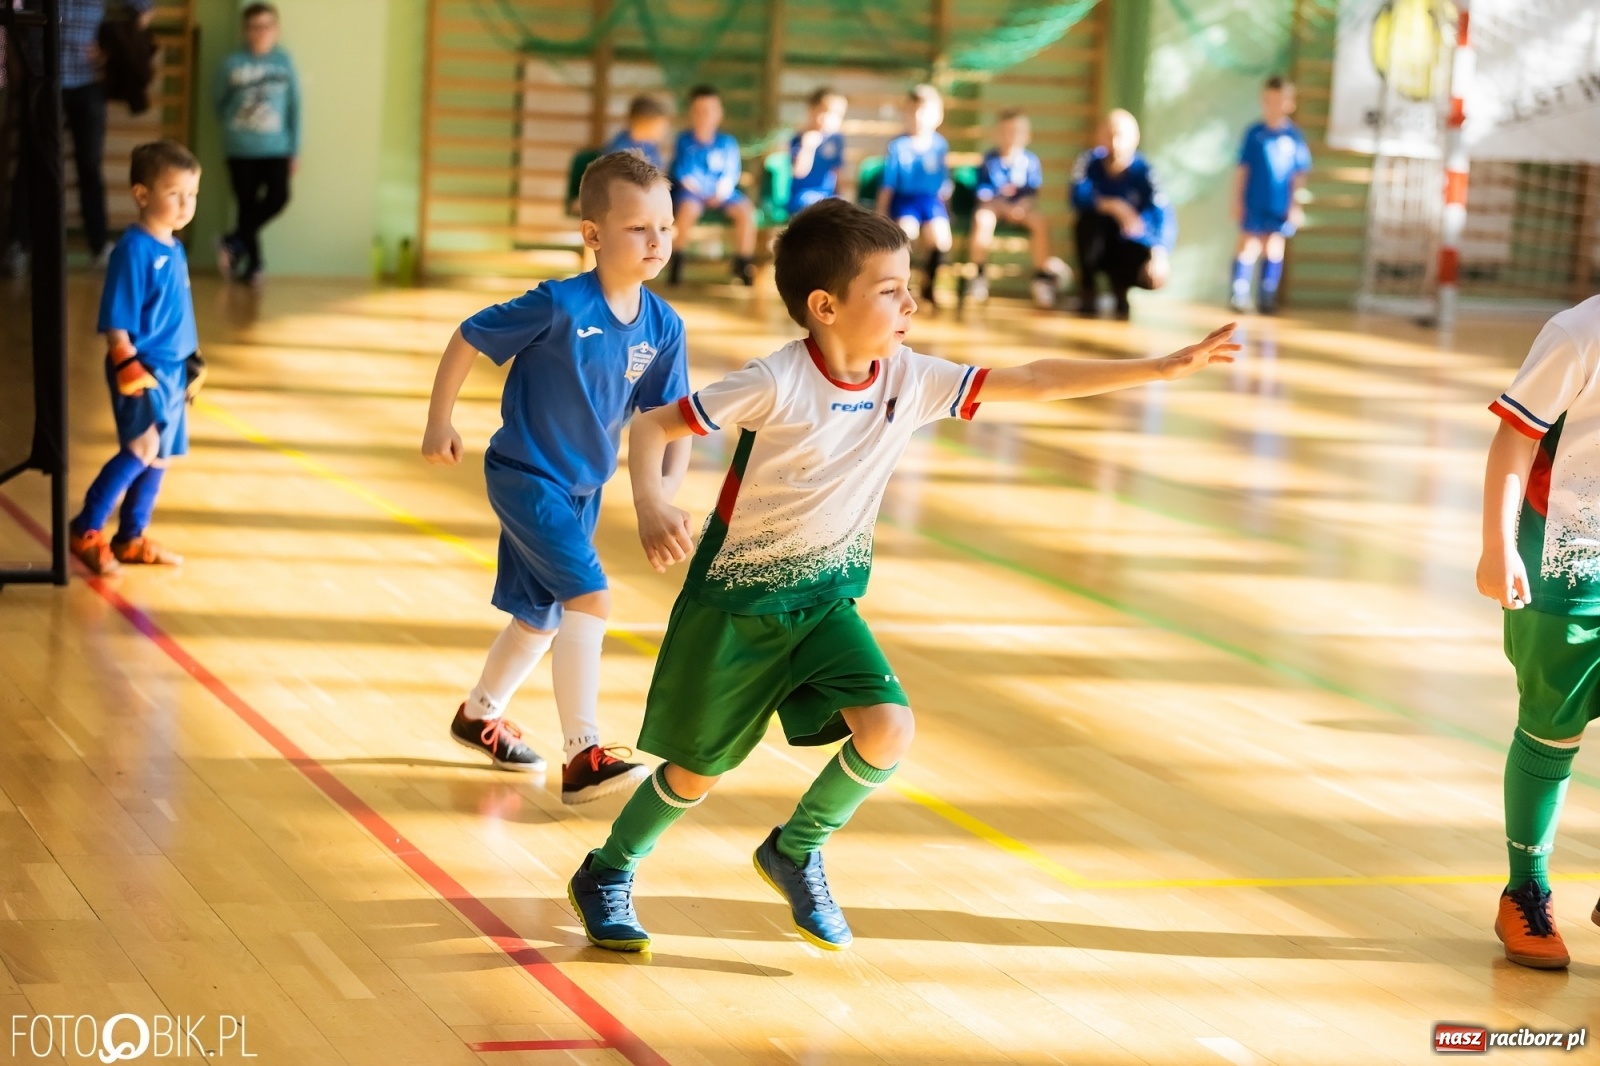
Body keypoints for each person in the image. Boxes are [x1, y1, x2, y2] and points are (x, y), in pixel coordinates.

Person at [564, 197, 1237, 953]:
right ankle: (608, 870)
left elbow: (1035, 378)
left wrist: (1162, 366)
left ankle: (794, 848)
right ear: (824, 307)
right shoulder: (776, 381)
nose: (910, 302)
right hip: (737, 607)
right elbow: (654, 424)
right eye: (889, 290)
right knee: (693, 775)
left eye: (908, 285)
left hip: (825, 602)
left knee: (889, 729)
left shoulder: (911, 379)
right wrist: (653, 502)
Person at [420, 152, 690, 805]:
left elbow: (672, 421)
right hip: (525, 475)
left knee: (539, 619)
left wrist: (665, 500)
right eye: (637, 228)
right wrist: (439, 421)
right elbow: (469, 336)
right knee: (590, 598)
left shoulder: (664, 325)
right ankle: (583, 754)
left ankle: (480, 715)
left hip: (582, 491)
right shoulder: (559, 304)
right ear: (592, 235)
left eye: (666, 226)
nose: (657, 241)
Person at [1476, 296, 1600, 969]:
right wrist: (1499, 545)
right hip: (1567, 563)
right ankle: (1525, 891)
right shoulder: (1580, 334)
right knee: (1554, 726)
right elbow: (1516, 439)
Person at [67, 140, 201, 576]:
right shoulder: (134, 249)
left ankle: (130, 538)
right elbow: (117, 316)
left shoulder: (175, 248)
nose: (185, 205)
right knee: (141, 446)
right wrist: (125, 358)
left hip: (172, 370)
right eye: (175, 194)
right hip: (141, 367)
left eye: (192, 195)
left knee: (160, 454)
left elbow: (175, 312)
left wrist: (192, 360)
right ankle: (86, 529)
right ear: (142, 195)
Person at [4, 0, 154, 276]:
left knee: (89, 166)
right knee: (29, 164)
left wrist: (112, 46)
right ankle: (17, 245)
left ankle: (98, 247)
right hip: (40, 81)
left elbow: (144, 7)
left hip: (87, 84)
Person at [214, 2, 300, 285]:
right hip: (240, 148)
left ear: (276, 29)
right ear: (245, 30)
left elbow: (295, 108)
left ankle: (232, 240)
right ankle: (254, 265)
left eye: (267, 26)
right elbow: (218, 102)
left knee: (278, 198)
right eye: (255, 26)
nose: (261, 32)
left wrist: (294, 149)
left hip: (277, 148)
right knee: (246, 205)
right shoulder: (232, 63)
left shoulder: (284, 62)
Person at [1069, 109, 1174, 320]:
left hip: (1126, 242)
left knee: (1148, 266)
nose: (1115, 143)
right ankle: (1088, 289)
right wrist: (1115, 206)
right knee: (1087, 222)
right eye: (1109, 135)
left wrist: (1160, 252)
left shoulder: (1144, 171)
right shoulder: (1089, 162)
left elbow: (1161, 211)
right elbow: (1077, 195)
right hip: (1098, 241)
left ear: (1135, 139)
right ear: (1100, 136)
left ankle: (1120, 288)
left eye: (1121, 136)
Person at [1231, 75, 1311, 314]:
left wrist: (1295, 205)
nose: (1274, 105)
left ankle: (1267, 296)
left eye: (1280, 100)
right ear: (1263, 101)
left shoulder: (1294, 137)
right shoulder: (1254, 134)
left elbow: (1299, 175)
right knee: (1247, 245)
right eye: (1270, 100)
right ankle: (1239, 294)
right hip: (1254, 200)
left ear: (1290, 103)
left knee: (1274, 246)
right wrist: (1237, 200)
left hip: (1279, 204)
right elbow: (1242, 169)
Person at [969, 107, 1064, 309]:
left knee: (1040, 222)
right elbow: (984, 193)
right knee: (982, 219)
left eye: (1016, 131)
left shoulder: (1030, 161)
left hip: (1022, 209)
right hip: (995, 207)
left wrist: (1020, 207)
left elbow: (1032, 193)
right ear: (997, 134)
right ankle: (978, 274)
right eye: (1005, 131)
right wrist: (1003, 207)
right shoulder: (989, 161)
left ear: (1026, 136)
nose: (1010, 136)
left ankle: (1042, 278)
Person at [667, 84, 756, 286]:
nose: (703, 116)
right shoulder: (684, 140)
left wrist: (721, 191)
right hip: (692, 194)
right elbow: (682, 172)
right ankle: (677, 259)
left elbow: (732, 171)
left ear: (719, 114)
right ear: (691, 113)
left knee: (745, 211)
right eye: (698, 111)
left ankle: (742, 262)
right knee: (687, 210)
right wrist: (699, 192)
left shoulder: (727, 142)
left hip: (723, 194)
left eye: (709, 111)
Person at [876, 83, 950, 307]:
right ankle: (902, 286)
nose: (918, 117)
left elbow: (943, 182)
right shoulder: (898, 146)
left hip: (930, 202)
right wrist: (881, 212)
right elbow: (888, 183)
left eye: (924, 111)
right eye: (913, 111)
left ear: (937, 115)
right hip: (905, 201)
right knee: (907, 233)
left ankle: (929, 287)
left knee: (941, 239)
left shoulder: (940, 145)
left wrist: (947, 208)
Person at [786, 87, 847, 216]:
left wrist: (840, 194)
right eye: (825, 112)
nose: (830, 119)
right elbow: (798, 172)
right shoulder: (799, 138)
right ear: (811, 110)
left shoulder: (836, 139)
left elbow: (837, 171)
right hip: (802, 195)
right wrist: (808, 147)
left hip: (828, 195)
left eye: (837, 115)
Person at [602, 94, 671, 170]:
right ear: (643, 123)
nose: (664, 130)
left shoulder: (650, 145)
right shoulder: (619, 150)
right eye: (660, 125)